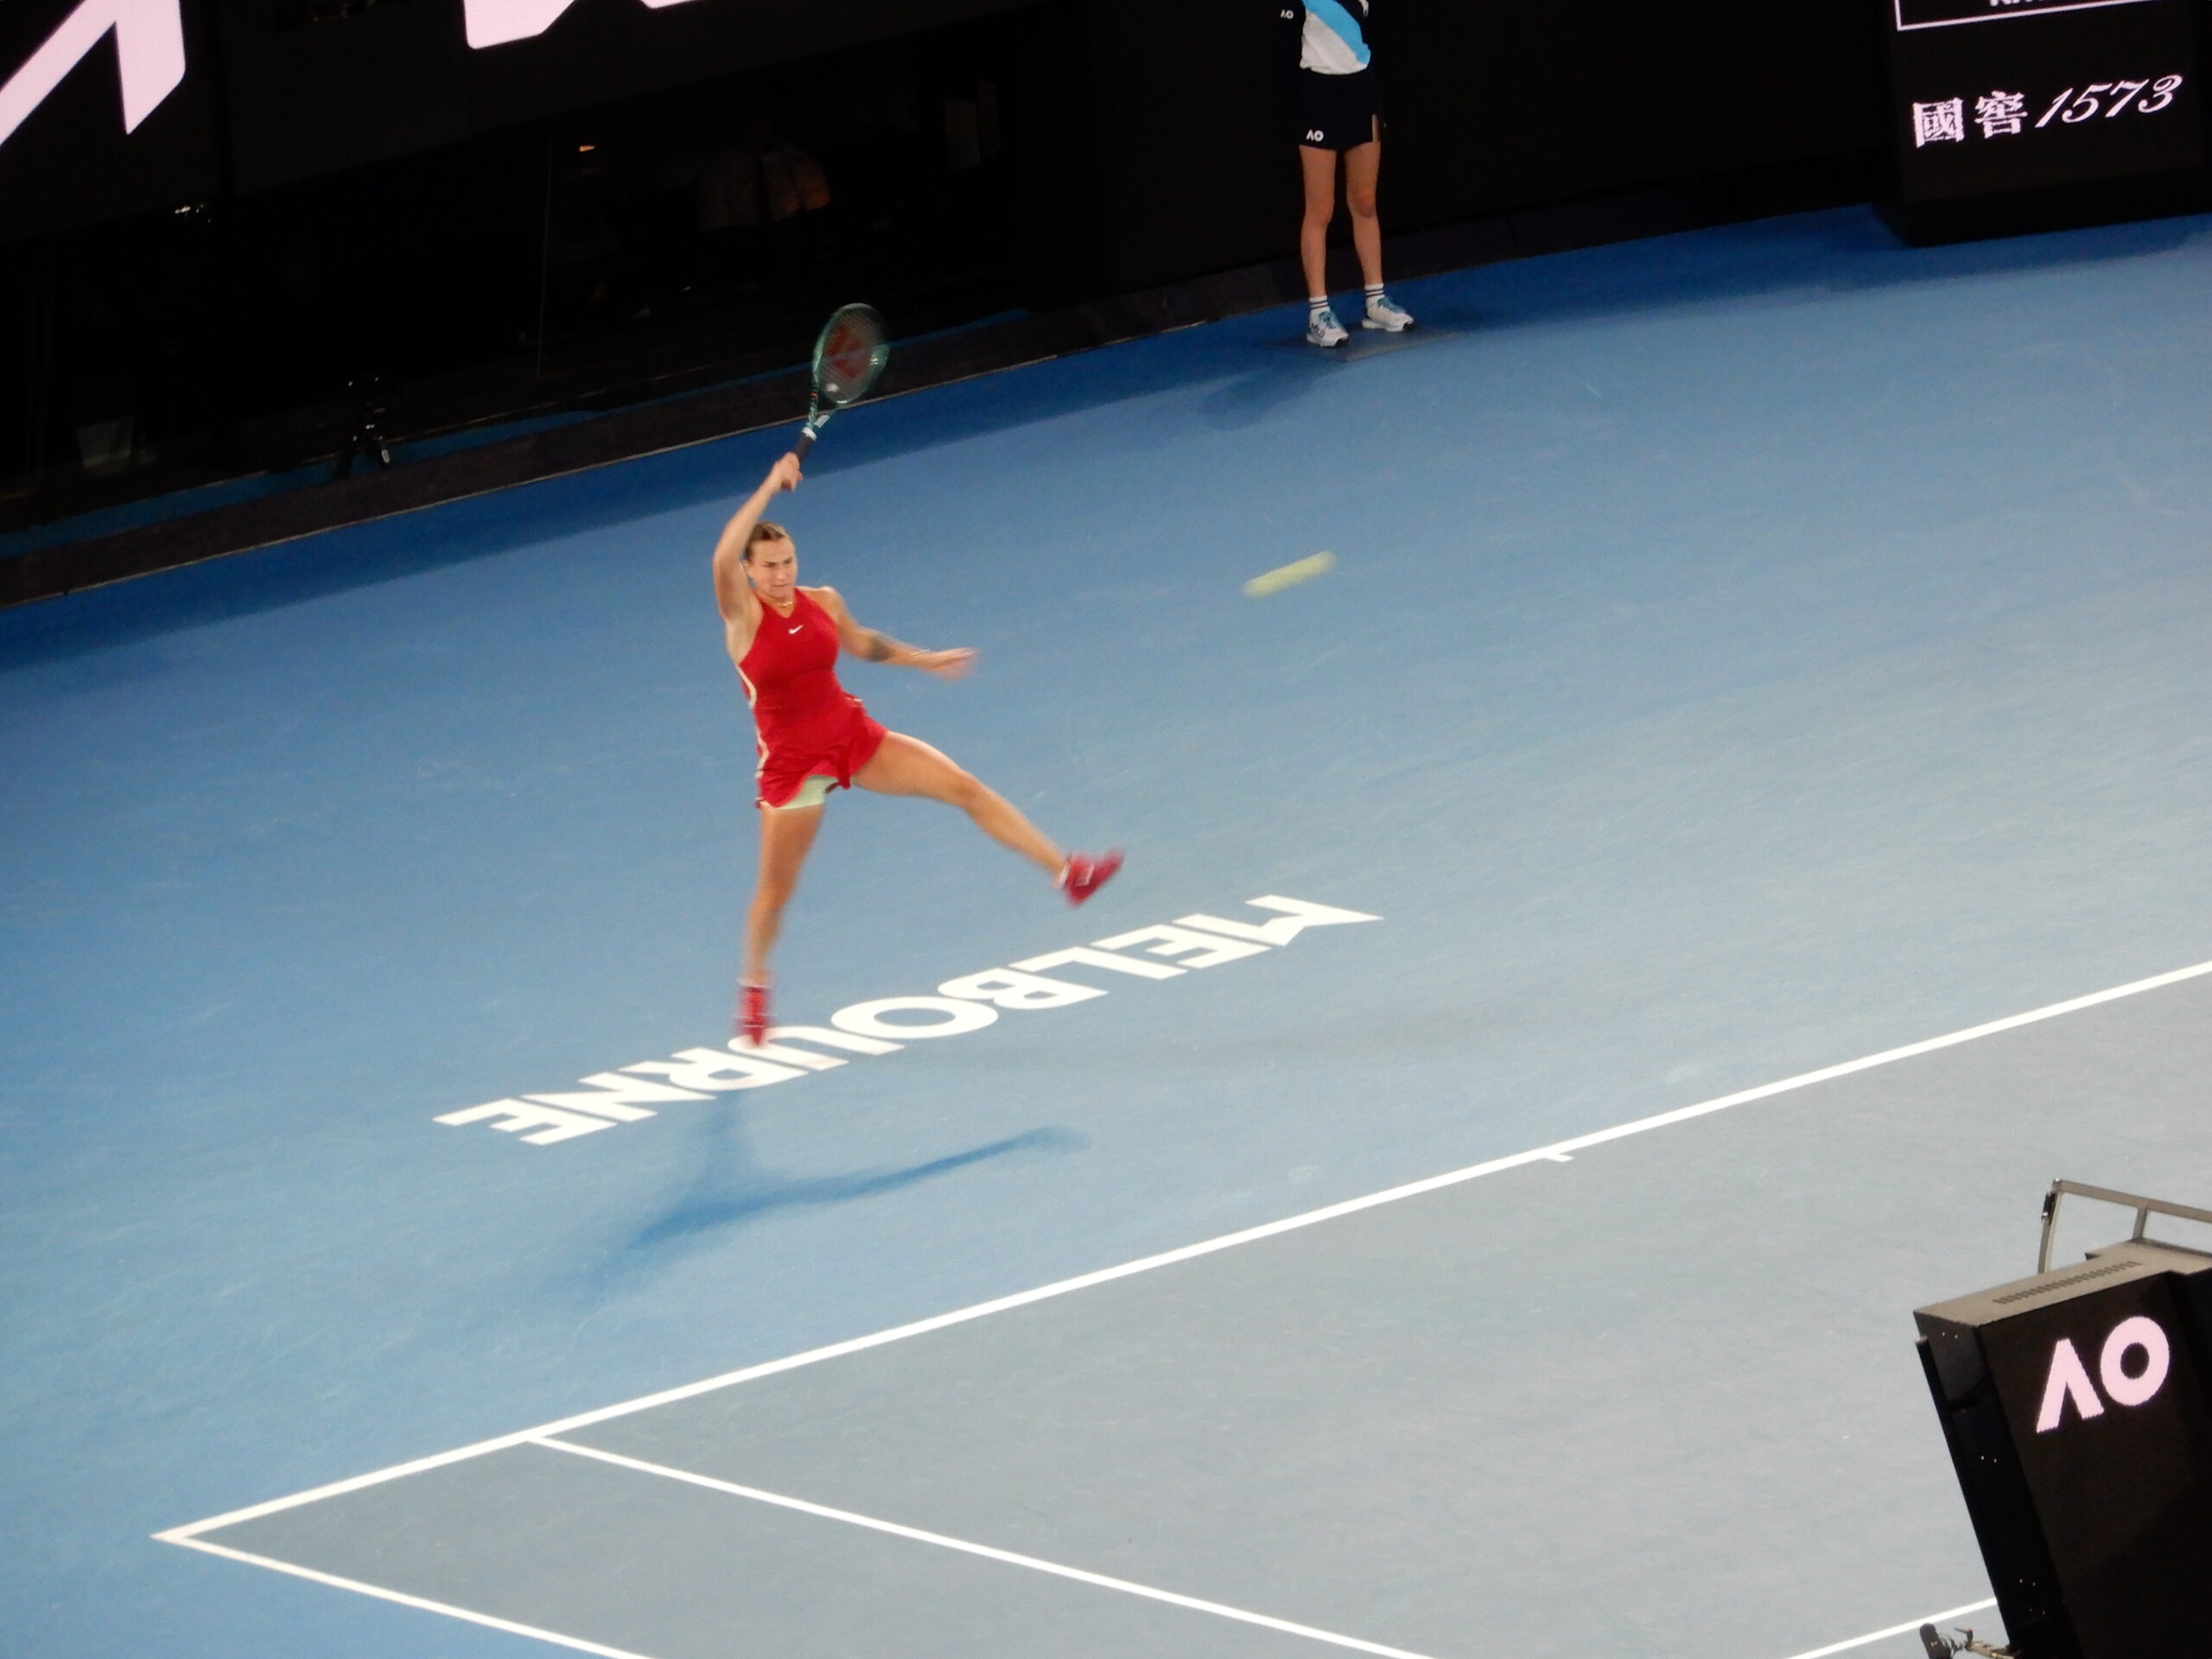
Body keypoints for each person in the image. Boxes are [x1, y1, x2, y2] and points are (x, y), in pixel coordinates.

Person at [714, 453, 1122, 1045]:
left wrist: (924, 660)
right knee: (777, 892)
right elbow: (721, 551)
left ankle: (1068, 873)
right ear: (749, 572)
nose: (780, 574)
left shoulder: (821, 600)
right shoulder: (742, 616)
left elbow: (862, 646)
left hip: (853, 737)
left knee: (965, 788)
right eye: (768, 566)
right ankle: (754, 986)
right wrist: (769, 484)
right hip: (793, 767)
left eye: (787, 562)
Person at [1282, 0, 1414, 347]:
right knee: (1320, 209)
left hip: (1362, 95)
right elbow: (1284, 48)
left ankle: (1376, 301)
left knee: (1365, 202)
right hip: (1316, 99)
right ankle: (1318, 314)